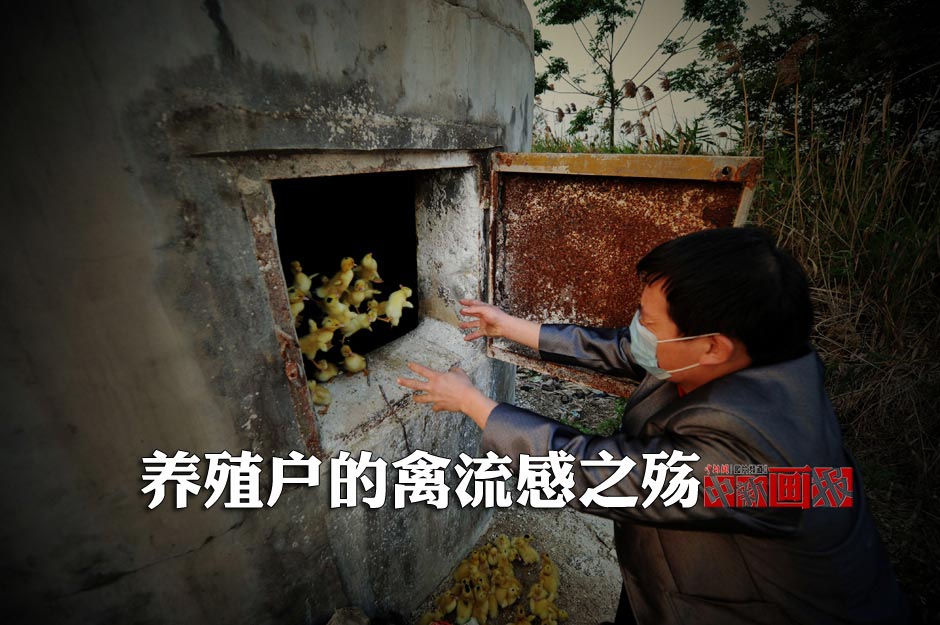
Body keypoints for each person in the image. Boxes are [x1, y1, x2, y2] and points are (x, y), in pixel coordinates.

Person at [398, 227, 912, 624]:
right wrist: (508, 326)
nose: (637, 328)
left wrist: (473, 404)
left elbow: (601, 479)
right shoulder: (756, 357)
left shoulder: (767, 465)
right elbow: (625, 350)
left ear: (713, 345)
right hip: (687, 578)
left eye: (649, 319)